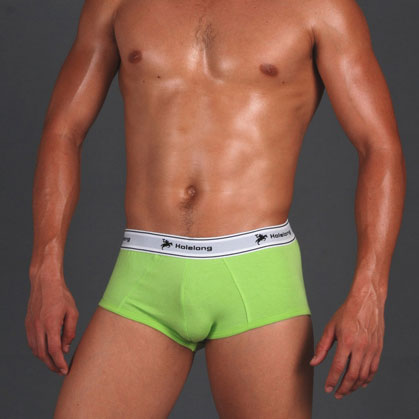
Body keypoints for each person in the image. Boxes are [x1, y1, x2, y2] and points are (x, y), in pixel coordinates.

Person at [26, 0, 406, 417]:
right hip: (147, 271)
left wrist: (370, 292)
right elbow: (63, 129)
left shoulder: (319, 8)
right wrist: (45, 270)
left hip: (257, 273)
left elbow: (379, 146)